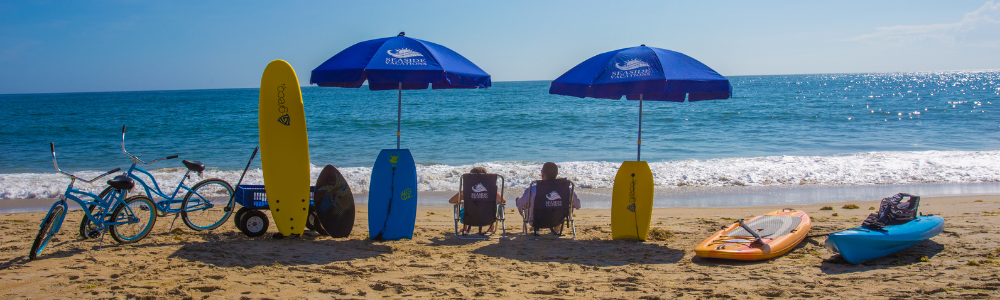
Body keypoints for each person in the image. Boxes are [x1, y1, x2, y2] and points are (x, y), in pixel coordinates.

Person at [516, 162, 581, 235]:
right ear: (556, 174)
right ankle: (557, 227)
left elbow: (520, 205)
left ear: (543, 174)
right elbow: (578, 205)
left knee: (526, 203)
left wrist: (518, 201)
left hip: (537, 220)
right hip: (559, 219)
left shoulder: (533, 189)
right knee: (568, 203)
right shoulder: (566, 189)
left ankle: (535, 227)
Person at [449, 166, 506, 235]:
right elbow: (503, 201)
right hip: (488, 218)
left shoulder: (465, 191)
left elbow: (451, 201)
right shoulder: (491, 191)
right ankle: (492, 227)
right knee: (492, 204)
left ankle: (465, 227)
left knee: (465, 203)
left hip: (469, 218)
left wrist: (462, 202)